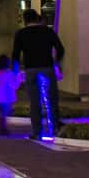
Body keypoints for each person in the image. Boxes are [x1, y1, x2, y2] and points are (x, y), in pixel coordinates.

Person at [10, 8, 65, 139]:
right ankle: (55, 128)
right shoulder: (48, 31)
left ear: (25, 20)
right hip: (47, 67)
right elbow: (60, 49)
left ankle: (37, 131)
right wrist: (56, 64)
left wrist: (16, 73)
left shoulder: (21, 34)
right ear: (37, 18)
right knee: (52, 99)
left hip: (31, 69)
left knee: (34, 102)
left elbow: (16, 55)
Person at [0, 56, 22, 136]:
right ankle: (2, 129)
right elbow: (15, 85)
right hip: (6, 96)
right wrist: (19, 78)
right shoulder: (9, 73)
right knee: (4, 112)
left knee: (1, 112)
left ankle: (1, 128)